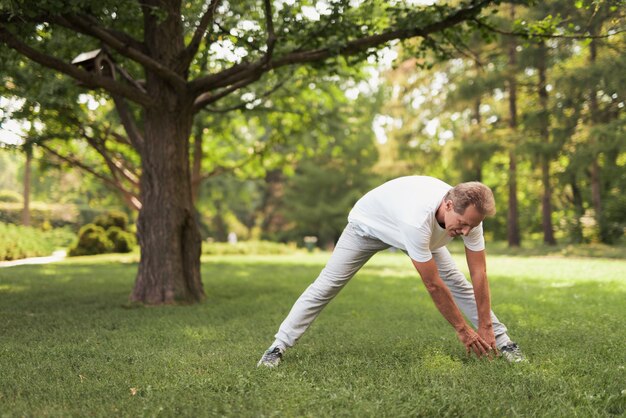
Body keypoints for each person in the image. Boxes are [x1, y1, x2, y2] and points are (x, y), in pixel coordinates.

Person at [258, 176, 525, 367]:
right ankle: (277, 346)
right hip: (368, 226)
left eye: (472, 226)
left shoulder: (471, 216)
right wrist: (464, 330)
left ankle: (503, 342)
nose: (466, 232)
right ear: (448, 205)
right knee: (327, 285)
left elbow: (479, 274)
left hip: (418, 232)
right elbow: (432, 284)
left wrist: (485, 327)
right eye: (463, 224)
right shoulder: (416, 220)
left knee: (458, 280)